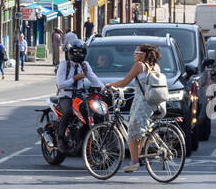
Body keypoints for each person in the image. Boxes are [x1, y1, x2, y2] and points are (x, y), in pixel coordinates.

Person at [105, 45, 165, 173]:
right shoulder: (156, 66)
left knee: (132, 131)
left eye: (136, 52)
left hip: (142, 102)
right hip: (155, 102)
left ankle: (134, 162)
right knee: (142, 130)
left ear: (142, 55)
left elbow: (124, 82)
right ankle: (139, 155)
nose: (134, 55)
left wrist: (110, 85)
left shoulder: (140, 66)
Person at [54, 38, 104, 144]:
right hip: (66, 96)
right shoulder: (64, 65)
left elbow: (94, 79)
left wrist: (105, 89)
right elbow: (60, 84)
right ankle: (61, 138)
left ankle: (84, 136)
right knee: (68, 111)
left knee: (91, 111)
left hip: (79, 96)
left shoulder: (85, 65)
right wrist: (74, 78)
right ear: (70, 52)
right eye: (75, 52)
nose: (78, 54)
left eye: (80, 52)